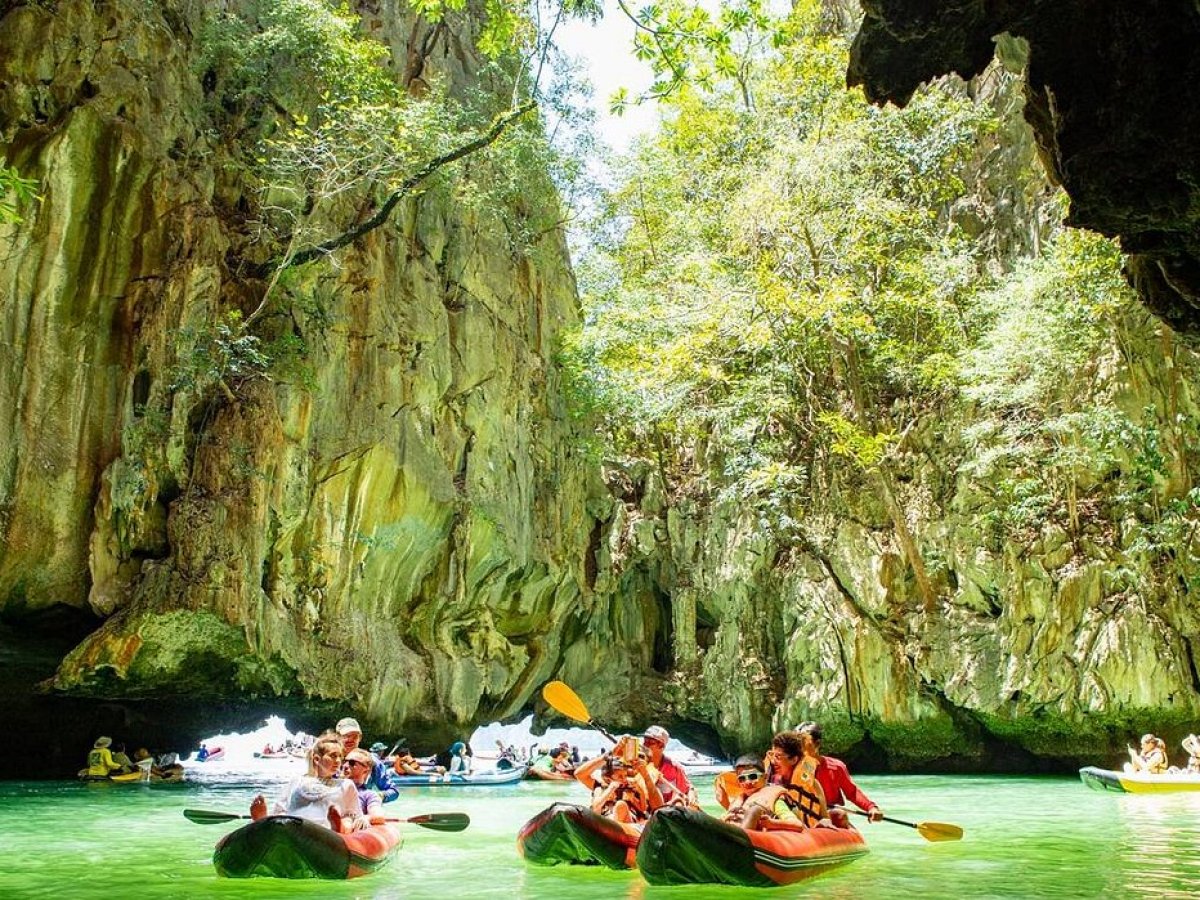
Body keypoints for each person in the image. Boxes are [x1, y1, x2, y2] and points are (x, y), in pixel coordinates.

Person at [251, 732, 367, 833]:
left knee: (347, 819)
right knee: (281, 816)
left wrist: (363, 819)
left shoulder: (346, 784)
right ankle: (262, 821)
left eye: (340, 757)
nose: (338, 761)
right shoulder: (296, 781)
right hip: (293, 828)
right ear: (317, 759)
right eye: (333, 756)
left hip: (326, 832)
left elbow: (356, 815)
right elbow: (280, 810)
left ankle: (338, 828)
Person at [795, 722, 882, 827]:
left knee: (838, 815)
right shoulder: (791, 766)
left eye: (803, 742)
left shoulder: (836, 767)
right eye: (796, 743)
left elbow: (852, 793)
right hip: (803, 812)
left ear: (817, 744)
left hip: (831, 812)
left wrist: (871, 807)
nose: (799, 748)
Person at [574, 736, 663, 825]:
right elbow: (579, 774)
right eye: (633, 755)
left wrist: (645, 774)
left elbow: (659, 809)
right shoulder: (604, 784)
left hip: (630, 824)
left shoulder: (642, 784)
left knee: (621, 805)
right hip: (606, 820)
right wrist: (611, 753)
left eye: (640, 757)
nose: (633, 761)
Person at [336, 717, 399, 802]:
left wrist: (377, 797)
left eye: (354, 736)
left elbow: (393, 790)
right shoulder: (330, 760)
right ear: (337, 737)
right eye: (346, 736)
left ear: (360, 738)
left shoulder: (372, 761)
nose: (350, 740)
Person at [642, 725, 698, 808]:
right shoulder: (639, 764)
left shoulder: (674, 767)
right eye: (645, 741)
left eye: (650, 743)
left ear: (661, 746)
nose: (645, 745)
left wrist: (692, 796)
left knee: (679, 802)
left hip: (666, 810)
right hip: (643, 809)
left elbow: (688, 789)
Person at [717, 754, 769, 826]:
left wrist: (770, 823)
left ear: (765, 777)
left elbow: (790, 821)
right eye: (742, 778)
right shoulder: (736, 801)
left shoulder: (775, 799)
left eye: (752, 776)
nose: (747, 782)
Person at [344, 748, 386, 820]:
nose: (345, 765)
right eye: (344, 761)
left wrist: (365, 818)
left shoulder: (369, 795)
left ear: (366, 770)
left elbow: (378, 815)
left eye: (352, 763)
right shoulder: (332, 788)